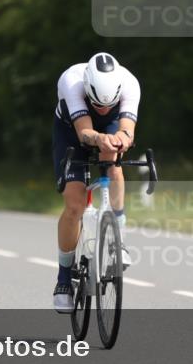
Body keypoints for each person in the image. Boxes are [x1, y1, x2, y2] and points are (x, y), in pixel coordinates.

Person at [51, 52, 139, 313]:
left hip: (109, 126)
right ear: (88, 90)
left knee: (114, 163)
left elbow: (127, 128)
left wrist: (123, 138)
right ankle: (64, 279)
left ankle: (119, 240)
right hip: (71, 129)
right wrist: (98, 139)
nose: (102, 108)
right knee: (75, 204)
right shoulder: (72, 81)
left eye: (107, 104)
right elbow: (85, 132)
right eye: (97, 103)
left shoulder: (130, 84)